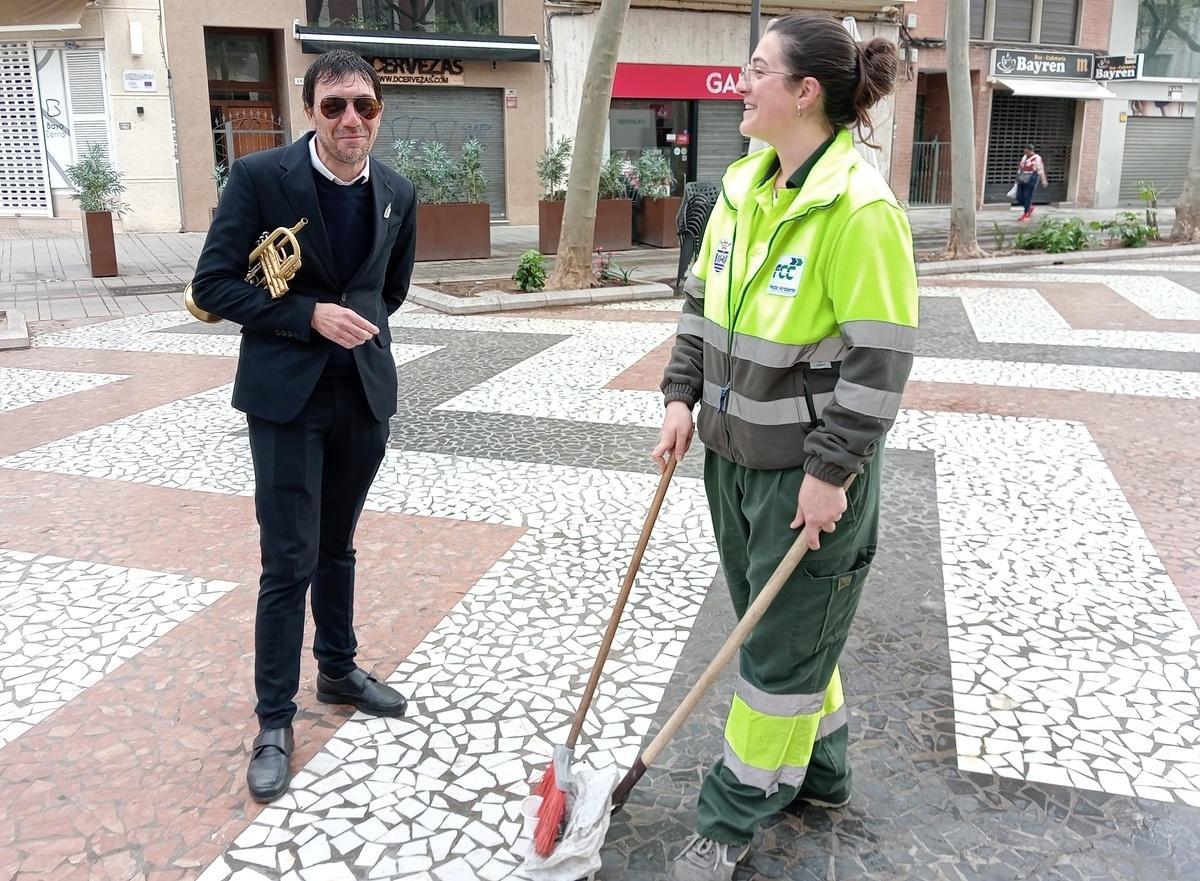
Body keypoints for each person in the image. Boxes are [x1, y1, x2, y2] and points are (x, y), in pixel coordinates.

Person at [651, 14, 918, 881]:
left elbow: (879, 362)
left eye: (757, 69)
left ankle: (725, 823)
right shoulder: (739, 187)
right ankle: (826, 772)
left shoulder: (860, 208)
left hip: (806, 482)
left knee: (771, 660)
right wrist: (679, 395)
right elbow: (702, 305)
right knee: (790, 638)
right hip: (730, 464)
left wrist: (831, 471)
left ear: (805, 92)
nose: (741, 81)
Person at [189, 49, 417, 803]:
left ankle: (340, 668)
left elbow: (392, 289)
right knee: (288, 560)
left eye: (364, 106)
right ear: (310, 111)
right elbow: (213, 284)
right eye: (334, 107)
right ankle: (275, 720)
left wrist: (354, 327)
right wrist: (305, 315)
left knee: (338, 546)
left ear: (379, 111)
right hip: (287, 397)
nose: (351, 119)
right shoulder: (259, 179)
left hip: (363, 396)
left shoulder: (397, 190)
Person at [1015, 144, 1047, 221]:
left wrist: (1044, 180)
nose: (1026, 153)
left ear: (1031, 151)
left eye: (1027, 152)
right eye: (1025, 152)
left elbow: (1040, 169)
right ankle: (1029, 207)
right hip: (1022, 178)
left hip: (1032, 178)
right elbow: (1020, 167)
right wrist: (1017, 178)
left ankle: (1026, 214)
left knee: (1027, 196)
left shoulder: (1037, 158)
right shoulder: (1024, 157)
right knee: (1019, 196)